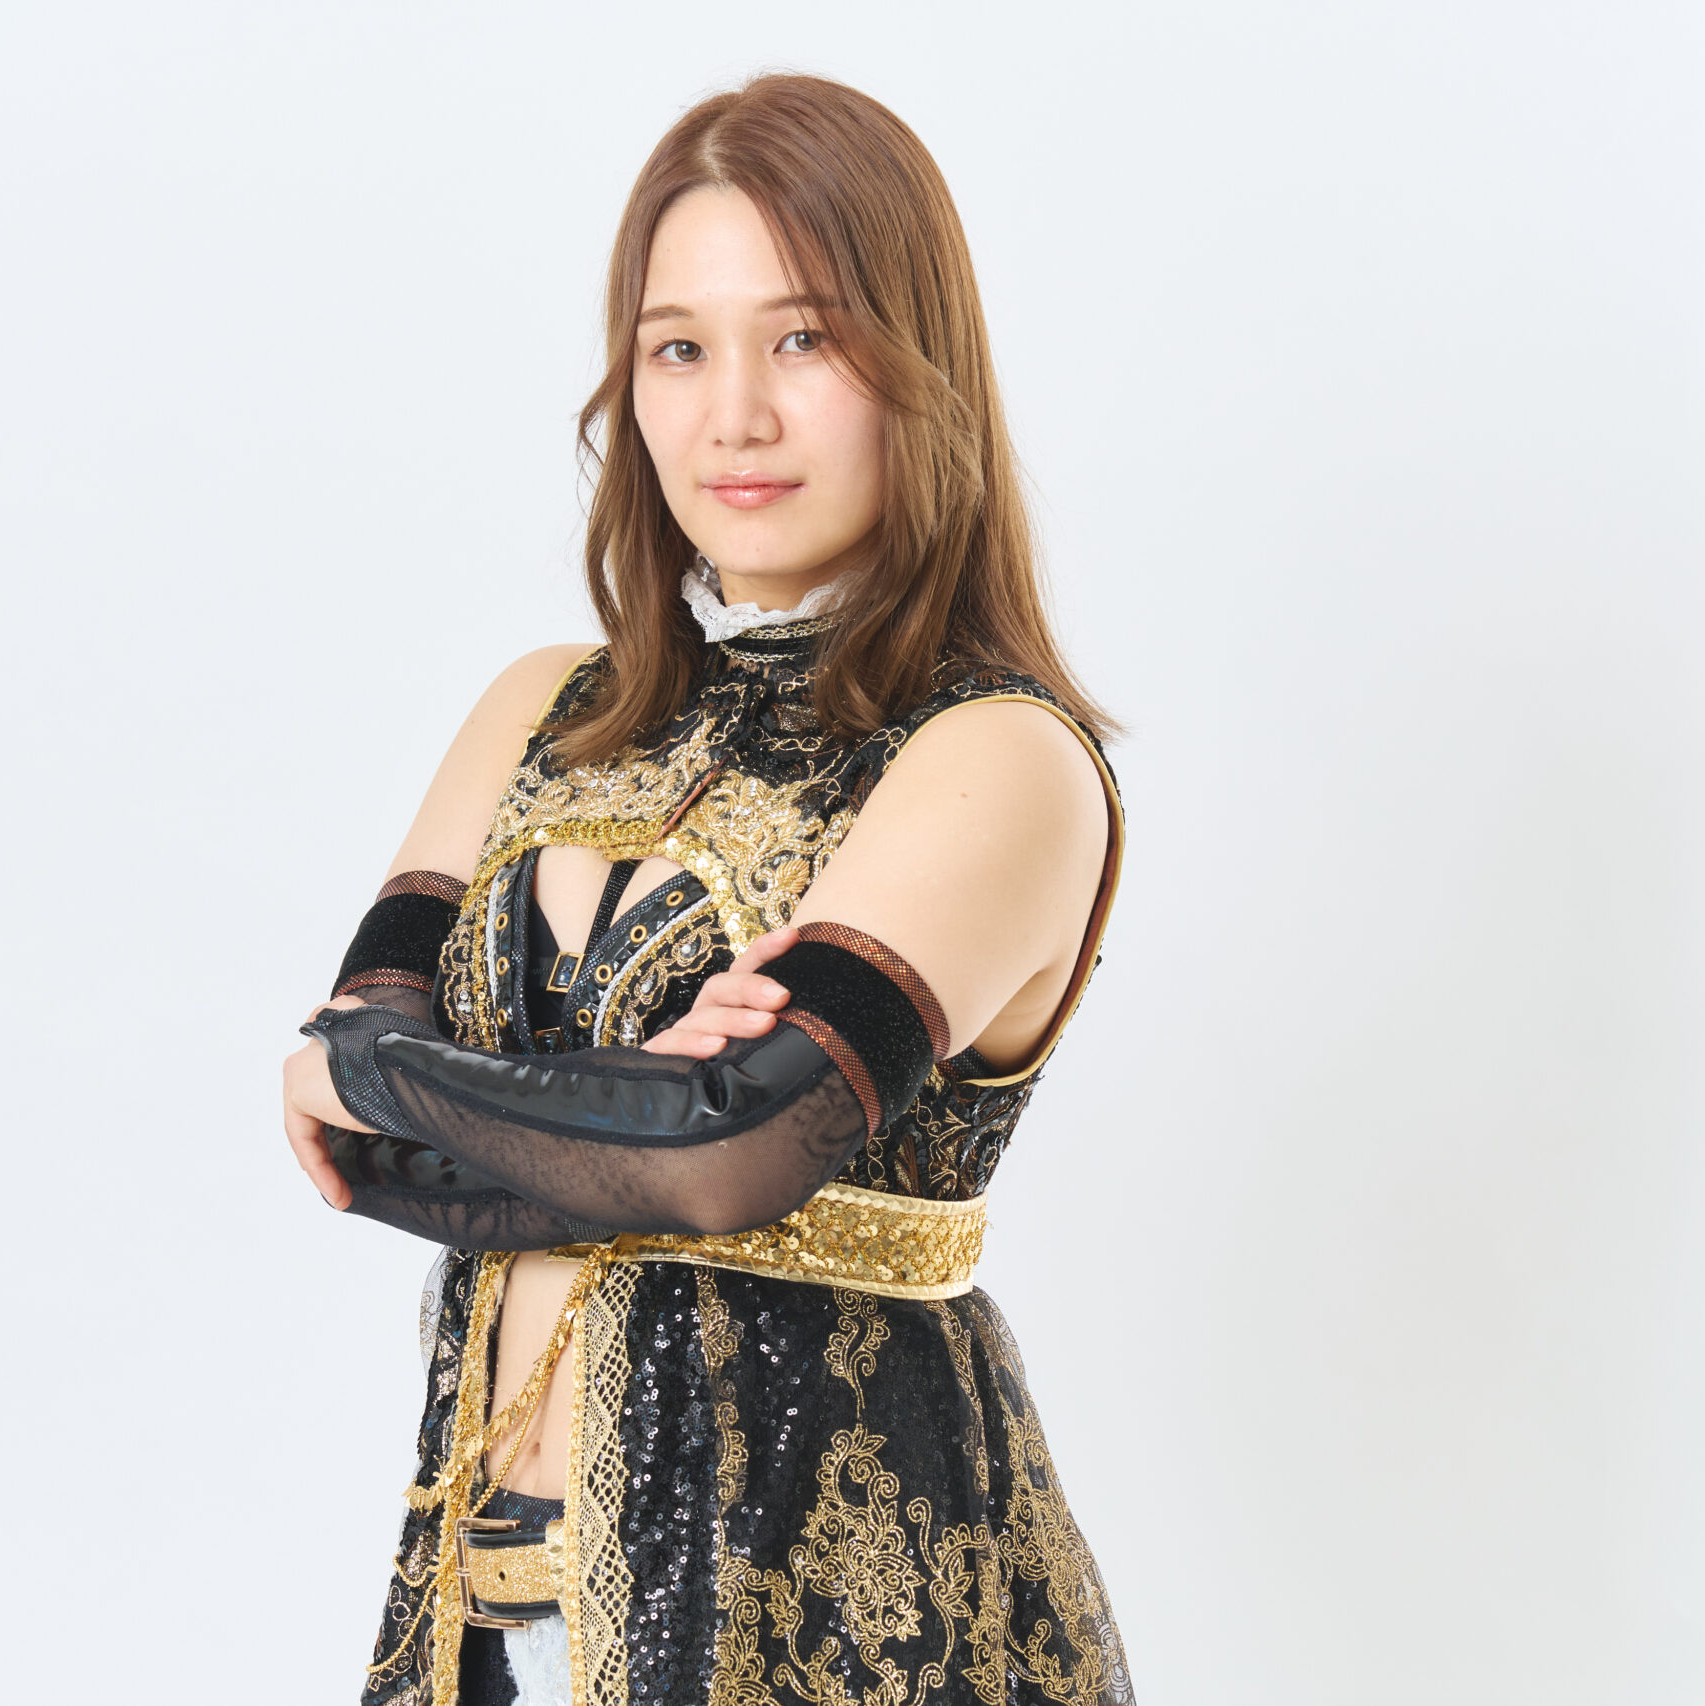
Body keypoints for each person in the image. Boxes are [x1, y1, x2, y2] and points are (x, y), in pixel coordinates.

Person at [281, 73, 1131, 1706]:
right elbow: (369, 1137)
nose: (732, 413)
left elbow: (730, 1149)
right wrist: (622, 1110)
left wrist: (396, 1074)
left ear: (919, 365)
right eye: (678, 347)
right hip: (485, 1612)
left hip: (837, 1627)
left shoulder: (995, 754)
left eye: (803, 338)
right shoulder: (539, 706)